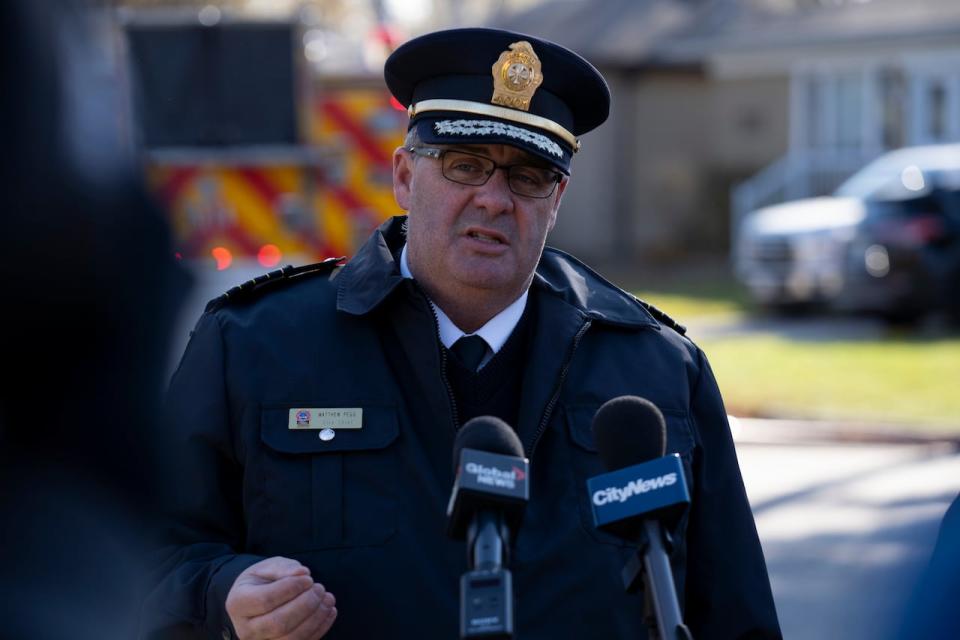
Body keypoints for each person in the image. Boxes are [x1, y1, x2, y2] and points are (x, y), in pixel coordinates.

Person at [143, 27, 781, 639]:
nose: (495, 200)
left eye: (528, 177)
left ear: (556, 201)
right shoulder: (255, 344)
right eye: (465, 165)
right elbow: (136, 555)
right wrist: (222, 592)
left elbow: (734, 613)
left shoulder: (657, 370)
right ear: (403, 176)